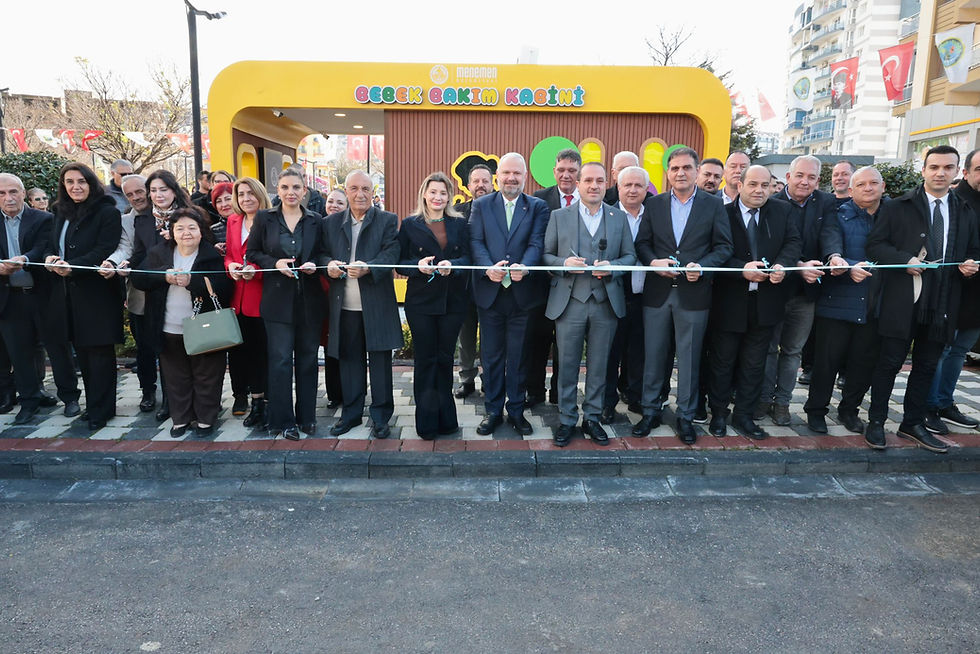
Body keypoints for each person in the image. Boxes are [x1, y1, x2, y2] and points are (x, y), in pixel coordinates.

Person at [866, 145, 980, 453]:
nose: (940, 173)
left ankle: (912, 422)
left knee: (927, 364)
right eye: (934, 167)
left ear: (957, 171)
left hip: (944, 299)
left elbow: (972, 251)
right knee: (889, 363)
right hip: (904, 298)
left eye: (947, 167)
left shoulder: (964, 210)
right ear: (924, 170)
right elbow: (874, 246)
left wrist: (969, 265)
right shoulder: (898, 206)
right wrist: (905, 260)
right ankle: (876, 422)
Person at [633, 147, 733, 443]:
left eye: (687, 168)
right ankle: (650, 411)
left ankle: (686, 417)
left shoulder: (713, 206)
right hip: (658, 293)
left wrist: (703, 267)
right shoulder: (655, 204)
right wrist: (654, 263)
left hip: (694, 294)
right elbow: (643, 243)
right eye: (675, 168)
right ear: (667, 173)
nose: (680, 173)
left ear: (696, 170)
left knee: (689, 359)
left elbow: (724, 247)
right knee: (654, 356)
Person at [543, 162, 636, 446]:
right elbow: (545, 255)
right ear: (578, 183)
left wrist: (613, 267)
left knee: (599, 365)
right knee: (567, 364)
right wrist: (563, 264)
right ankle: (567, 419)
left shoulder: (618, 217)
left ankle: (593, 418)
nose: (594, 186)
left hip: (605, 302)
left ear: (605, 184)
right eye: (588, 180)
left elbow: (631, 257)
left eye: (599, 181)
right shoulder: (559, 216)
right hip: (570, 302)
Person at [708, 166, 800, 440]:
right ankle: (719, 415)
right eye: (753, 184)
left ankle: (745, 416)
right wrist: (740, 269)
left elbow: (793, 242)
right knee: (723, 363)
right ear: (740, 185)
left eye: (766, 185)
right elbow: (714, 252)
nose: (759, 190)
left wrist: (783, 264)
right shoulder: (722, 213)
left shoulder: (782, 212)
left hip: (766, 301)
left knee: (754, 364)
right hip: (729, 301)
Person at [131, 207, 231, 437]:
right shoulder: (159, 252)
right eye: (180, 228)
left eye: (191, 228)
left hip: (205, 328)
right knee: (175, 377)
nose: (186, 233)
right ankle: (181, 418)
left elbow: (225, 288)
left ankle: (205, 418)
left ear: (201, 231)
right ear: (172, 232)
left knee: (207, 375)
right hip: (168, 327)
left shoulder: (211, 255)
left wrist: (192, 282)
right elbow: (139, 278)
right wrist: (163, 276)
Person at [470, 152, 550, 436]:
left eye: (517, 174)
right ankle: (492, 411)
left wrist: (526, 266)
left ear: (524, 177)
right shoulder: (481, 205)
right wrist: (485, 267)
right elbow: (476, 241)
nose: (511, 178)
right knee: (491, 357)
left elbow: (537, 242)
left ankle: (516, 411)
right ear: (498, 176)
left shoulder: (538, 207)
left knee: (518, 357)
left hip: (522, 295)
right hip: (490, 294)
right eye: (506, 173)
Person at [759, 155, 842, 425]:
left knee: (793, 351)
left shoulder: (827, 202)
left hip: (807, 292)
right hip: (775, 287)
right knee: (769, 348)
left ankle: (782, 403)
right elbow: (769, 245)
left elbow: (830, 233)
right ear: (788, 177)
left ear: (819, 180)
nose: (805, 181)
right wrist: (797, 265)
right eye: (800, 176)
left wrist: (835, 255)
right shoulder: (771, 203)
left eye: (812, 177)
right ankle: (763, 399)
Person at [804, 166, 885, 437]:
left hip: (875, 303)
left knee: (863, 363)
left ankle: (850, 410)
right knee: (826, 363)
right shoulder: (837, 214)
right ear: (851, 190)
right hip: (837, 301)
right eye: (861, 184)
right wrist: (844, 262)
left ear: (883, 187)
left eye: (874, 183)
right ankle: (816, 411)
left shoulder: (892, 217)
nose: (868, 188)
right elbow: (830, 243)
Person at [246, 169, 326, 441]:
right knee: (279, 361)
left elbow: (324, 253)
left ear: (305, 190)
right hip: (277, 301)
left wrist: (317, 265)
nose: (291, 192)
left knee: (307, 361)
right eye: (285, 187)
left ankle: (307, 417)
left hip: (310, 300)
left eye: (296, 187)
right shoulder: (265, 219)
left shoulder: (316, 220)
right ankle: (281, 420)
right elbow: (252, 252)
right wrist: (274, 263)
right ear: (277, 190)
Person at [44, 163, 123, 431]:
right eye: (69, 181)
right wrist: (51, 258)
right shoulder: (60, 211)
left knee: (100, 354)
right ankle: (94, 407)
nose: (75, 186)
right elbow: (51, 244)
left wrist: (72, 267)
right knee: (83, 355)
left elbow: (105, 248)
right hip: (67, 295)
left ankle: (102, 410)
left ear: (91, 183)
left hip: (97, 294)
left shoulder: (107, 211)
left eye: (81, 181)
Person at [323, 170, 403, 439]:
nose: (360, 194)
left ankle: (381, 417)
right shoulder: (331, 223)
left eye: (365, 189)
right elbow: (322, 253)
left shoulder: (387, 220)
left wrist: (370, 267)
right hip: (344, 306)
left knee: (380, 362)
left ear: (373, 193)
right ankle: (352, 413)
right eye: (354, 188)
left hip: (376, 304)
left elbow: (392, 253)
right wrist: (329, 265)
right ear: (345, 191)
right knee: (349, 362)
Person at [0, 173, 80, 424]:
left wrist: (25, 259)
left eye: (13, 192)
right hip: (10, 298)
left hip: (44, 295)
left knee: (57, 348)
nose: (8, 198)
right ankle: (29, 400)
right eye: (2, 194)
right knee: (19, 352)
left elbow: (44, 246)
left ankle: (70, 398)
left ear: (24, 193)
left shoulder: (44, 218)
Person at [397, 172, 471, 439]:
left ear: (449, 196)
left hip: (453, 301)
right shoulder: (409, 224)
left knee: (444, 359)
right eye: (433, 192)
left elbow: (468, 258)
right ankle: (426, 423)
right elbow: (399, 263)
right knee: (426, 360)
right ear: (424, 194)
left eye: (443, 193)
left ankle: (447, 420)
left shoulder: (460, 224)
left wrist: (455, 265)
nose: (438, 197)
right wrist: (417, 267)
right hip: (421, 302)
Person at [127, 170, 194, 421]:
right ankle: (166, 400)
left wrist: (177, 241)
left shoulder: (190, 215)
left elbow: (203, 248)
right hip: (156, 292)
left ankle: (193, 400)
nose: (158, 195)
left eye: (163, 189)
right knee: (161, 348)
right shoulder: (143, 220)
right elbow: (139, 259)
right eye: (153, 190)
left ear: (174, 190)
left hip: (185, 293)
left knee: (187, 351)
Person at [924, 148, 980, 436]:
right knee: (942, 350)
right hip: (954, 290)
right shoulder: (955, 203)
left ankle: (944, 403)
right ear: (966, 172)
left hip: (976, 298)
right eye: (979, 169)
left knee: (959, 352)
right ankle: (929, 406)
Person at [528, 148, 581, 407]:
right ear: (554, 171)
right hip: (542, 285)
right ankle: (535, 392)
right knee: (538, 341)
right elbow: (535, 241)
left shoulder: (590, 199)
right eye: (561, 170)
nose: (566, 175)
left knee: (566, 346)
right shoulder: (539, 199)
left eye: (572, 170)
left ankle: (560, 394)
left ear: (579, 172)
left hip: (575, 287)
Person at [603, 166, 650, 422]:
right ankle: (607, 402)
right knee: (610, 352)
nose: (632, 190)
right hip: (612, 295)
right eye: (627, 185)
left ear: (646, 189)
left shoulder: (654, 214)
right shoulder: (606, 215)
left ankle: (636, 397)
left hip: (646, 295)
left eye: (638, 185)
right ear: (618, 188)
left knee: (639, 351)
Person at [225, 177, 272, 427]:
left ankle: (263, 402)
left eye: (250, 193)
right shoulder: (233, 221)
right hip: (237, 297)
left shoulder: (270, 220)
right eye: (241, 194)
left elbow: (274, 256)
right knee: (240, 352)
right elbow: (231, 255)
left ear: (260, 194)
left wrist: (256, 269)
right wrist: (230, 265)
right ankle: (247, 399)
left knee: (260, 352)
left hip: (261, 296)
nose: (246, 199)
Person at [453, 163, 493, 399]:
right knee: (465, 337)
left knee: (490, 337)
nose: (480, 185)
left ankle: (490, 379)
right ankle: (466, 379)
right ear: (468, 186)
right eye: (476, 181)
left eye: (485, 181)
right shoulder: (456, 212)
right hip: (464, 286)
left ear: (492, 184)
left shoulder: (498, 210)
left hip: (491, 285)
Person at [320, 188, 346, 409]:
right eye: (331, 201)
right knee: (329, 345)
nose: (334, 206)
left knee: (345, 343)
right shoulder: (319, 226)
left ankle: (348, 390)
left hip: (342, 292)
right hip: (322, 292)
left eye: (339, 203)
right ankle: (334, 393)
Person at [209, 182, 234, 254]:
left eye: (228, 199)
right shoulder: (212, 231)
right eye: (219, 201)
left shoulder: (249, 223)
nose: (224, 204)